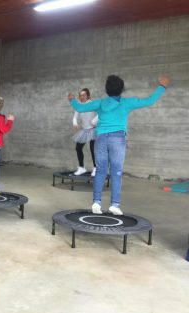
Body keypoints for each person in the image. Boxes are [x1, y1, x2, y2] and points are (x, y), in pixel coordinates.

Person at [68, 75, 169, 215]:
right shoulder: (127, 102)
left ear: (106, 89)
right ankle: (114, 205)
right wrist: (161, 87)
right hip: (117, 139)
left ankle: (96, 202)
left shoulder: (100, 103)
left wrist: (72, 98)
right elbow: (149, 101)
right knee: (116, 172)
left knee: (100, 170)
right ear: (122, 89)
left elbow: (79, 107)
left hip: (101, 139)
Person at [72, 88, 98, 176]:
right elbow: (75, 117)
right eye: (80, 95)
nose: (81, 97)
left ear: (88, 96)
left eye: (83, 95)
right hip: (84, 130)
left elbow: (100, 114)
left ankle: (96, 168)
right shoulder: (79, 106)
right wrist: (75, 123)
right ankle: (81, 168)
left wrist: (94, 121)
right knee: (78, 148)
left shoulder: (93, 104)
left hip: (93, 130)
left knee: (93, 149)